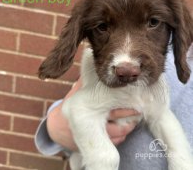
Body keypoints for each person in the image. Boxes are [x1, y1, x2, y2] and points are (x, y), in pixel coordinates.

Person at [35, 45, 193, 170]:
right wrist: (57, 125)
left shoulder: (167, 46)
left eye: (152, 23)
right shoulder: (171, 45)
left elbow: (160, 116)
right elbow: (76, 108)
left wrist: (182, 163)